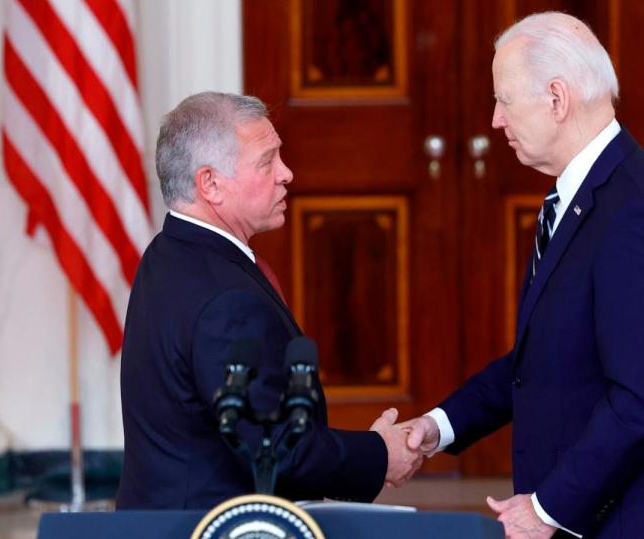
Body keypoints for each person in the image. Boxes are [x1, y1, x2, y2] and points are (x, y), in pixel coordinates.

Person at [400, 12, 644, 539]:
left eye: (503, 100)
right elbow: (542, 360)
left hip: (637, 521)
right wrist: (438, 427)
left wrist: (548, 507)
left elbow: (640, 399)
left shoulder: (636, 215)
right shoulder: (580, 197)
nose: (495, 121)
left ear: (556, 99)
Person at [116, 92, 420, 509]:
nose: (287, 173)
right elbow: (279, 450)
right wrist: (381, 454)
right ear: (210, 184)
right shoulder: (226, 301)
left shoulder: (168, 252)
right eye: (267, 161)